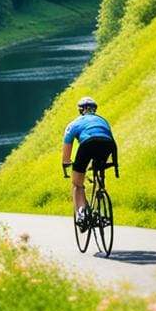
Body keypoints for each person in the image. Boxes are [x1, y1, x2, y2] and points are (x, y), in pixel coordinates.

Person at [62, 96, 116, 231]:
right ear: (95, 110)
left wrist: (66, 163)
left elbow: (66, 152)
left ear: (80, 110)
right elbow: (110, 138)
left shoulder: (73, 124)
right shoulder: (103, 120)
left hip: (87, 144)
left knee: (76, 183)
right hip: (107, 145)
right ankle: (100, 191)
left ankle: (81, 213)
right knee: (98, 169)